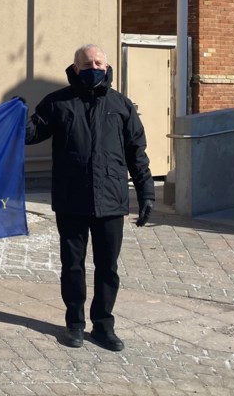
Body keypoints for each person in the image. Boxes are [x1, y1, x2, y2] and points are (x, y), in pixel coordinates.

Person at [25, 43, 155, 352]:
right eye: (87, 64)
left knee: (108, 267)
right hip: (72, 200)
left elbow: (137, 154)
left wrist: (147, 194)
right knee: (73, 265)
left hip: (111, 200)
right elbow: (31, 135)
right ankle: (75, 324)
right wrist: (18, 115)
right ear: (75, 68)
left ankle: (103, 325)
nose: (93, 68)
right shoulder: (58, 103)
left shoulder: (122, 106)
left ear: (107, 67)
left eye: (98, 62)